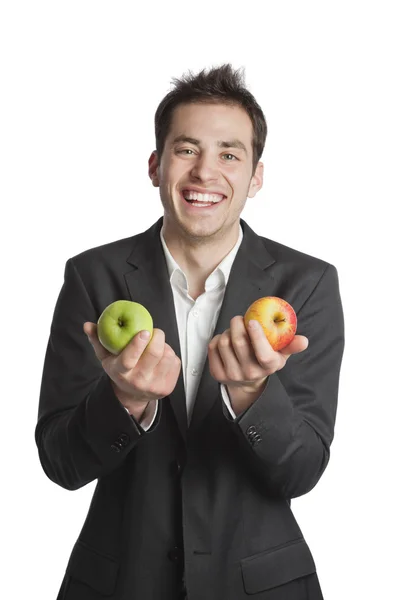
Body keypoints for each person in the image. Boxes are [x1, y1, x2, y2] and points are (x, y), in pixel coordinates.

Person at [35, 63, 345, 600]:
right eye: (186, 149)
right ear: (155, 166)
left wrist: (252, 396)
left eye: (229, 153)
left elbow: (302, 471)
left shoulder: (309, 284)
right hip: (120, 583)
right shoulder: (93, 277)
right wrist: (125, 400)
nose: (205, 172)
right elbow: (59, 462)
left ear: (256, 177)